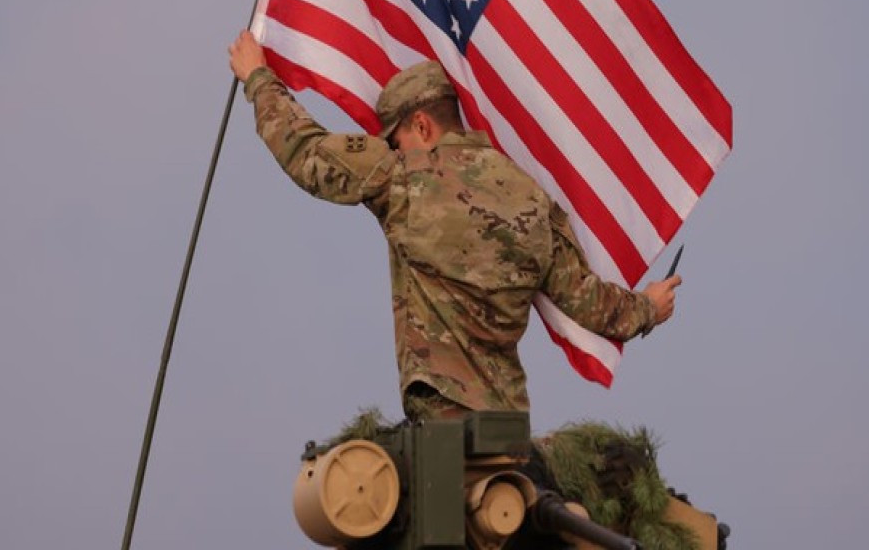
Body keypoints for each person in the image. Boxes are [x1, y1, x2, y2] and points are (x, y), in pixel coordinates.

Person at [228, 30, 682, 419]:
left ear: (421, 126)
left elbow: (306, 154)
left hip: (441, 420)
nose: (394, 148)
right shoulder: (532, 199)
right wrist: (646, 307)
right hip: (507, 429)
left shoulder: (403, 179)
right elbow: (589, 304)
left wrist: (258, 79)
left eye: (396, 138)